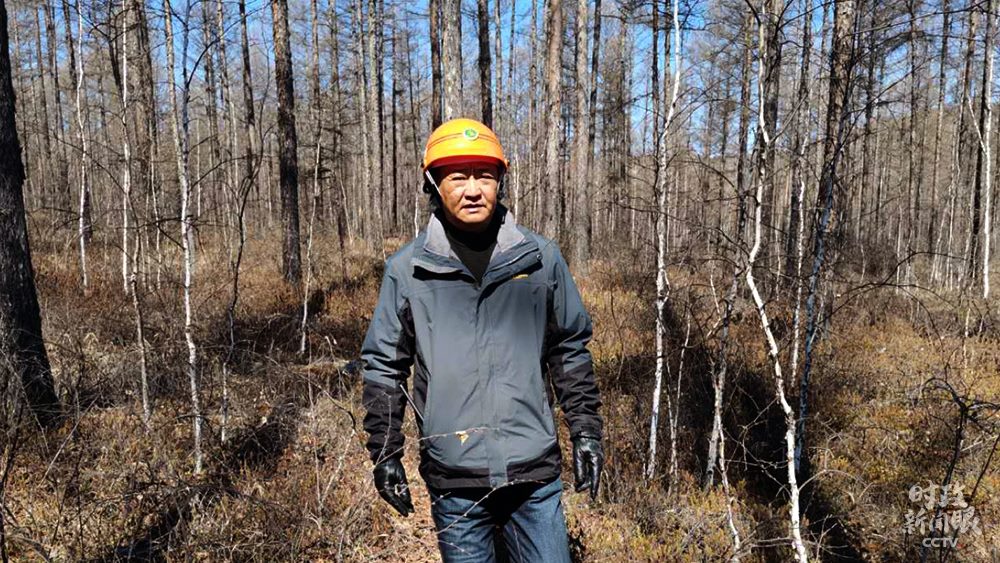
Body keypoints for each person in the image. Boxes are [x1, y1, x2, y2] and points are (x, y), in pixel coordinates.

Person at [360, 117, 604, 562]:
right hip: (455, 478)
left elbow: (569, 349)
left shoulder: (540, 259)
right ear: (434, 184)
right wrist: (385, 453)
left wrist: (585, 430)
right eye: (458, 177)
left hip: (533, 475)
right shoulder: (408, 270)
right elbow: (383, 367)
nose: (473, 190)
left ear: (500, 181)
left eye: (484, 176)